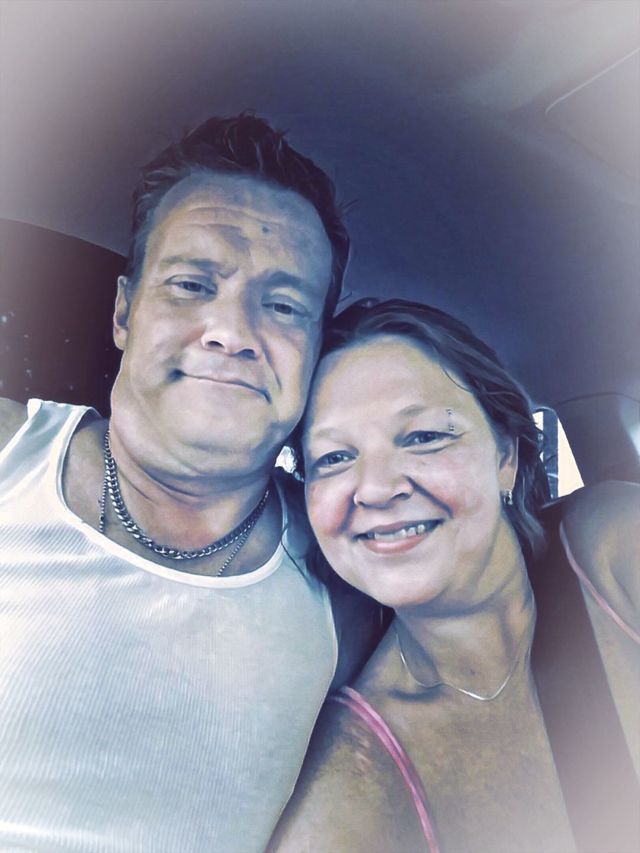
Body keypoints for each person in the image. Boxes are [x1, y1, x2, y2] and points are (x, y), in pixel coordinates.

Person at [0, 115, 378, 852]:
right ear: (124, 312)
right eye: (191, 285)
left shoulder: (351, 580)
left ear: (314, 349)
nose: (229, 332)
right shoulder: (11, 451)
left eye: (283, 306)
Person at [269, 298, 640, 853]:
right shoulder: (352, 782)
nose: (376, 488)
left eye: (424, 437)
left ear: (506, 456)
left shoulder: (614, 545)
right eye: (334, 458)